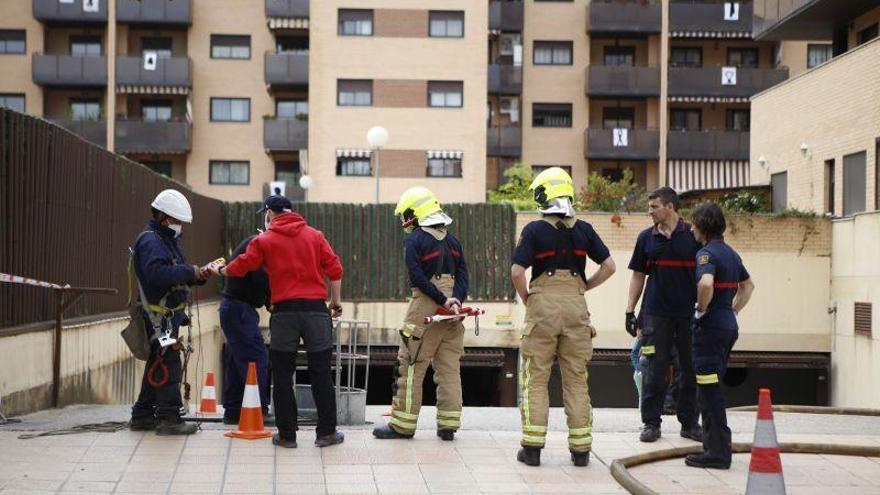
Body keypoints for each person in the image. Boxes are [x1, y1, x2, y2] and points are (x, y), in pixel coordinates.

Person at [214, 195, 345, 449]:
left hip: (284, 314)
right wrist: (335, 302)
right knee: (321, 373)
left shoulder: (265, 240)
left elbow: (242, 266)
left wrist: (221, 270)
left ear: (271, 214)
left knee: (283, 375)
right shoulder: (315, 236)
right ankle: (326, 433)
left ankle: (287, 436)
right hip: (316, 312)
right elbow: (335, 269)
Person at [511, 167, 616, 467]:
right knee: (576, 380)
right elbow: (609, 266)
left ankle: (532, 449)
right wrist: (585, 286)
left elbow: (518, 271)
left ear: (545, 195)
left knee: (535, 378)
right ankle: (581, 451)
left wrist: (528, 298)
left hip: (542, 306)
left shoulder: (533, 230)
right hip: (575, 306)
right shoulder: (584, 230)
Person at [373, 187, 469, 441]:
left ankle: (403, 425)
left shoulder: (415, 240)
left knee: (411, 366)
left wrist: (441, 300)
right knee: (449, 369)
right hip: (453, 314)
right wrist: (455, 301)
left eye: (407, 214)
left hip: (425, 309)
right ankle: (448, 426)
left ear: (415, 213)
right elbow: (464, 277)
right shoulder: (453, 241)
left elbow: (417, 277)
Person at [129, 189, 209, 435]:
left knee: (159, 360)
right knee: (168, 362)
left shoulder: (165, 240)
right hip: (158, 318)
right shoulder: (151, 240)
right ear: (163, 216)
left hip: (165, 316)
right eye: (176, 220)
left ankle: (143, 415)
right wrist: (189, 272)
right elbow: (156, 274)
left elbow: (174, 272)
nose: (179, 225)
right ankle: (168, 417)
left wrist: (196, 276)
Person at [626, 187, 702, 443]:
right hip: (655, 315)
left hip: (688, 314)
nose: (650, 212)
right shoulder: (646, 238)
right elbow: (638, 275)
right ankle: (651, 424)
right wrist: (630, 310)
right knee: (653, 371)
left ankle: (689, 423)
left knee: (689, 369)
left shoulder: (693, 236)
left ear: (670, 207)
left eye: (654, 207)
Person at [686, 202, 754, 469]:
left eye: (693, 224)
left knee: (709, 389)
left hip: (710, 328)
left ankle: (717, 452)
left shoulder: (706, 254)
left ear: (701, 226)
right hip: (727, 325)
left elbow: (705, 283)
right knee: (712, 385)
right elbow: (748, 286)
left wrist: (702, 309)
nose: (691, 228)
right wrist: (732, 310)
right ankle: (714, 446)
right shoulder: (731, 254)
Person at [219, 234, 271, 425]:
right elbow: (261, 276)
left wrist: (267, 301)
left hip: (235, 309)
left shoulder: (255, 242)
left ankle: (233, 410)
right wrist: (273, 298)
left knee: (237, 360)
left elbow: (256, 275)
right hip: (240, 310)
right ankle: (259, 408)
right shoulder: (258, 245)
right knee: (255, 359)